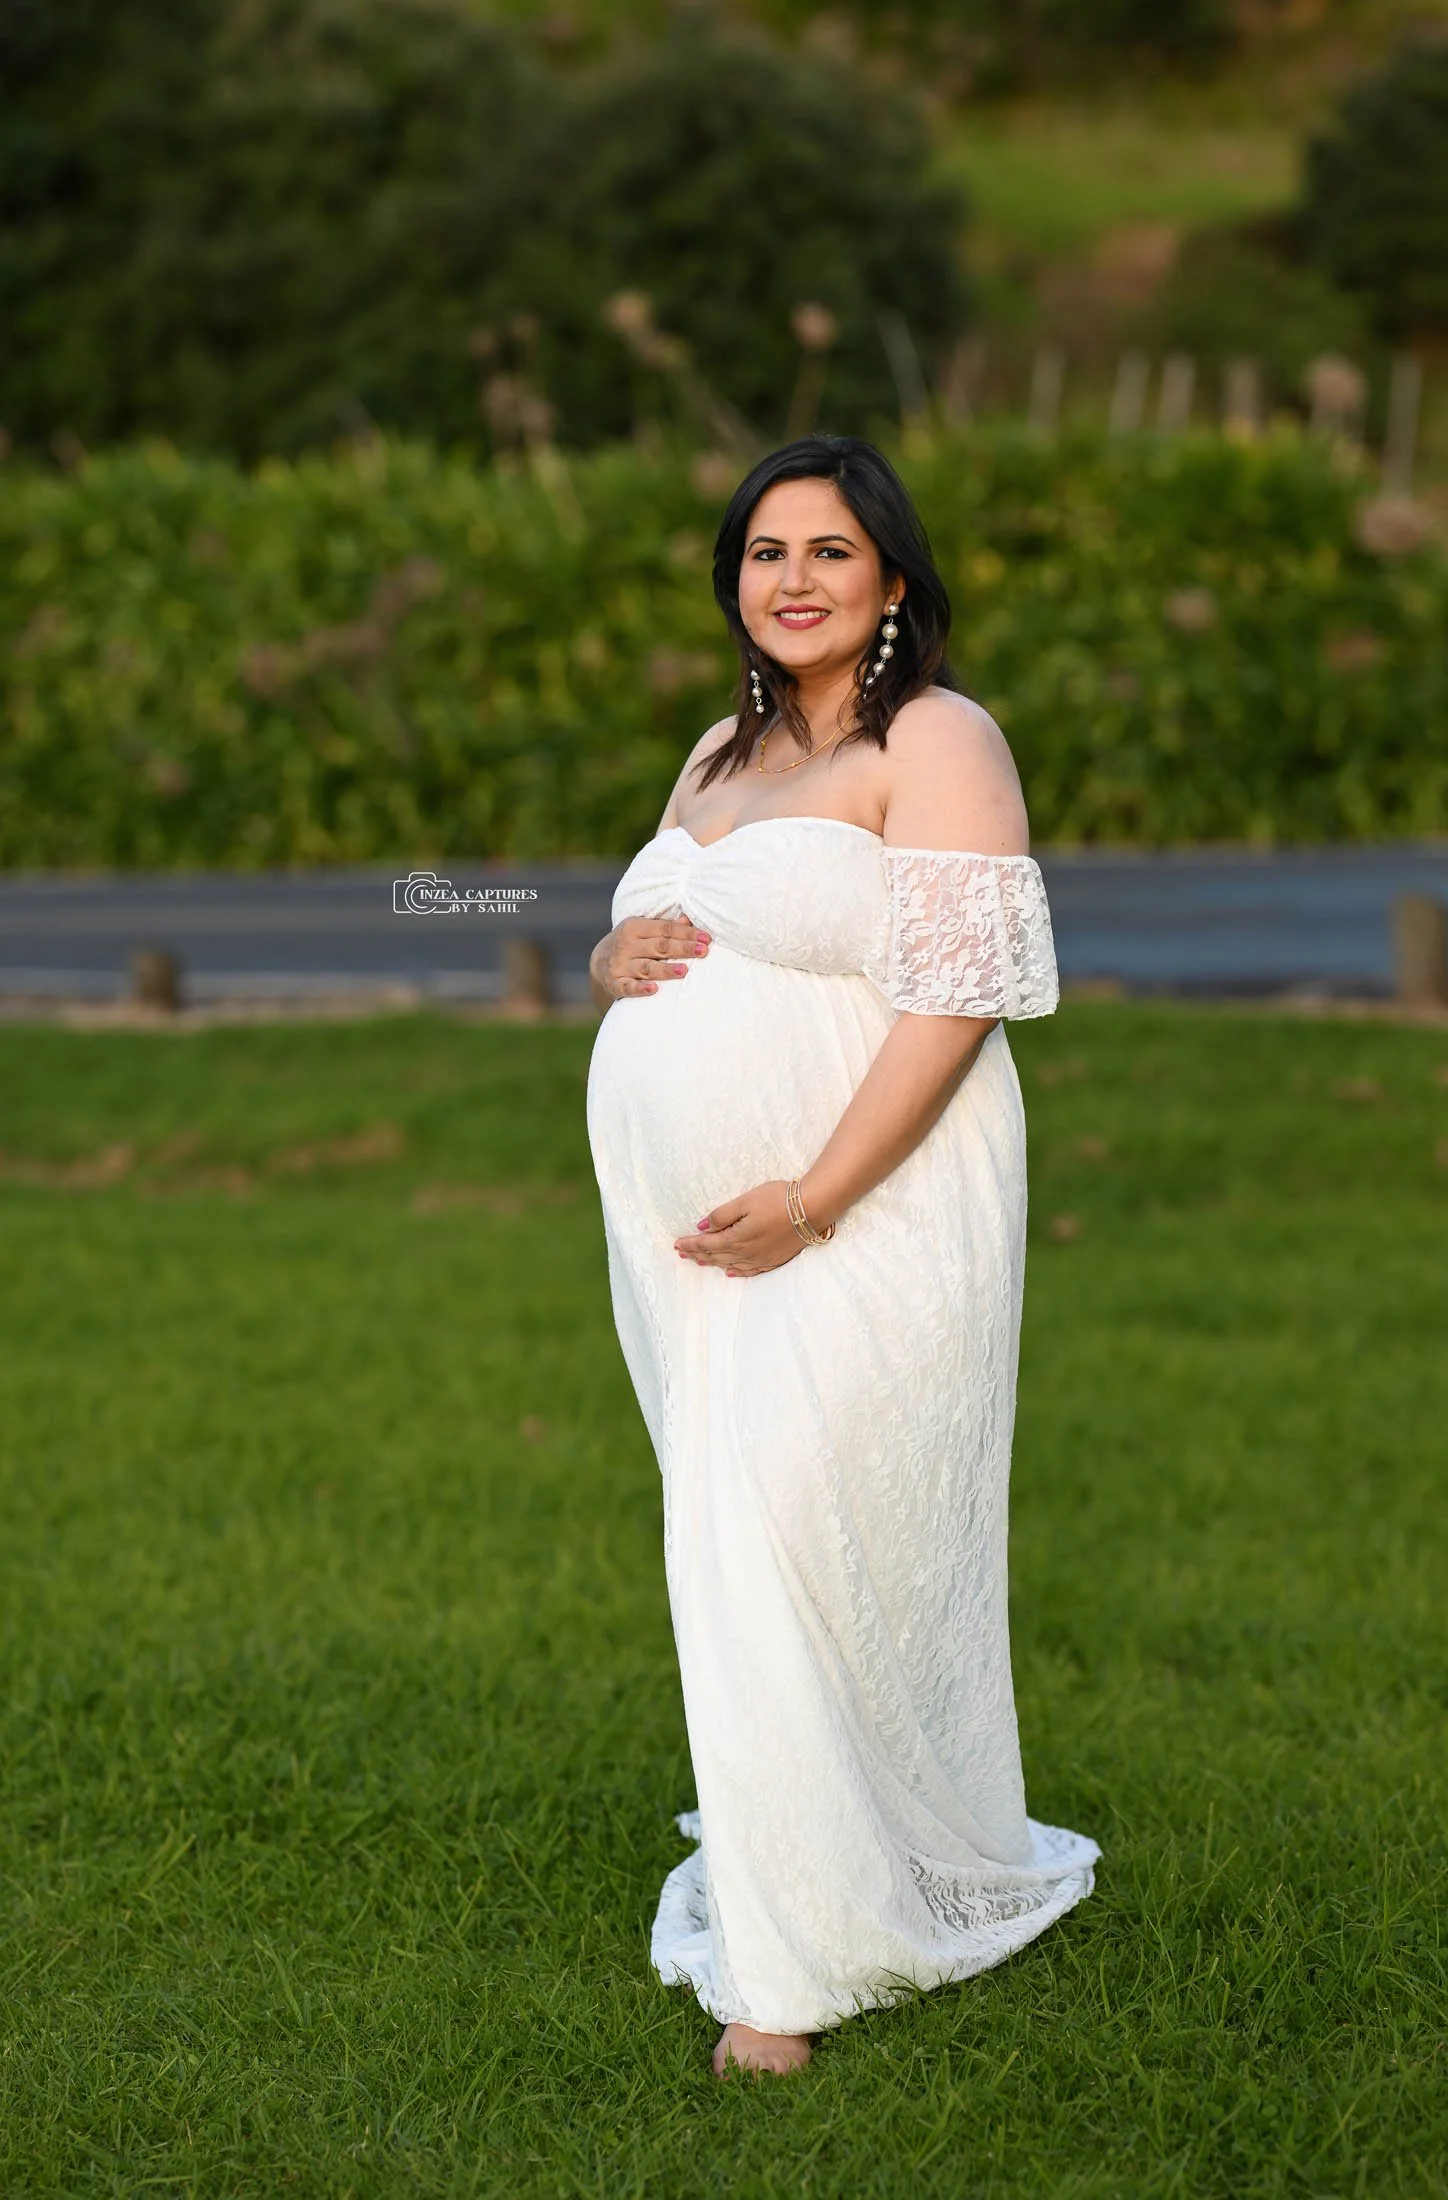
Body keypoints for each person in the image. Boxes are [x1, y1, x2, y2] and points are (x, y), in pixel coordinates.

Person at [584, 434, 1099, 2082]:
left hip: (867, 1210)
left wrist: (812, 1197)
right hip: (692, 1242)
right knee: (733, 1546)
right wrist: (611, 947)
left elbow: (956, 1001)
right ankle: (808, 1854)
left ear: (889, 577)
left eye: (827, 550)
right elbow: (657, 924)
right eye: (762, 553)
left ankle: (783, 1982)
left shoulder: (940, 738)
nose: (790, 579)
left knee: (803, 1529)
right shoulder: (715, 753)